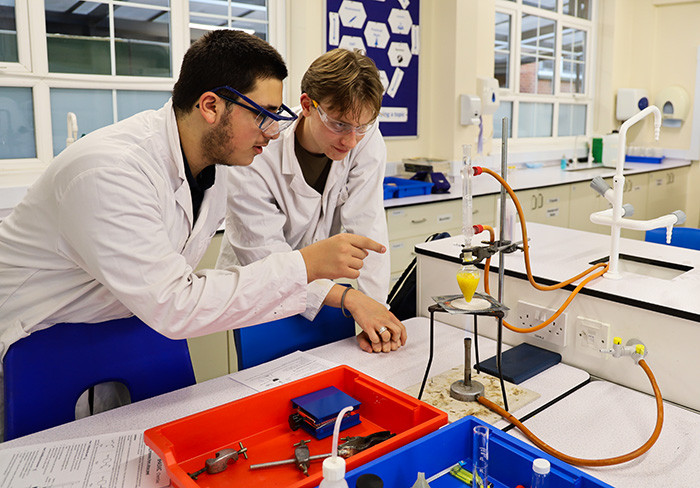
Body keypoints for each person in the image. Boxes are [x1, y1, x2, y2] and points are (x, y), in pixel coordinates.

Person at [0, 31, 385, 438]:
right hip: (32, 343)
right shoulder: (109, 172)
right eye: (263, 114)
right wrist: (306, 266)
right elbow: (175, 303)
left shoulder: (213, 168)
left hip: (120, 325)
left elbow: (172, 292)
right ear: (210, 106)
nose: (274, 133)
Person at [216, 48, 406, 354]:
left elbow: (368, 230)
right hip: (261, 290)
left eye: (362, 126)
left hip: (325, 288)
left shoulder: (364, 139)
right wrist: (353, 299)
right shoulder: (256, 154)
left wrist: (375, 317)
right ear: (307, 105)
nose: (350, 141)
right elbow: (267, 260)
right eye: (339, 124)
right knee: (267, 378)